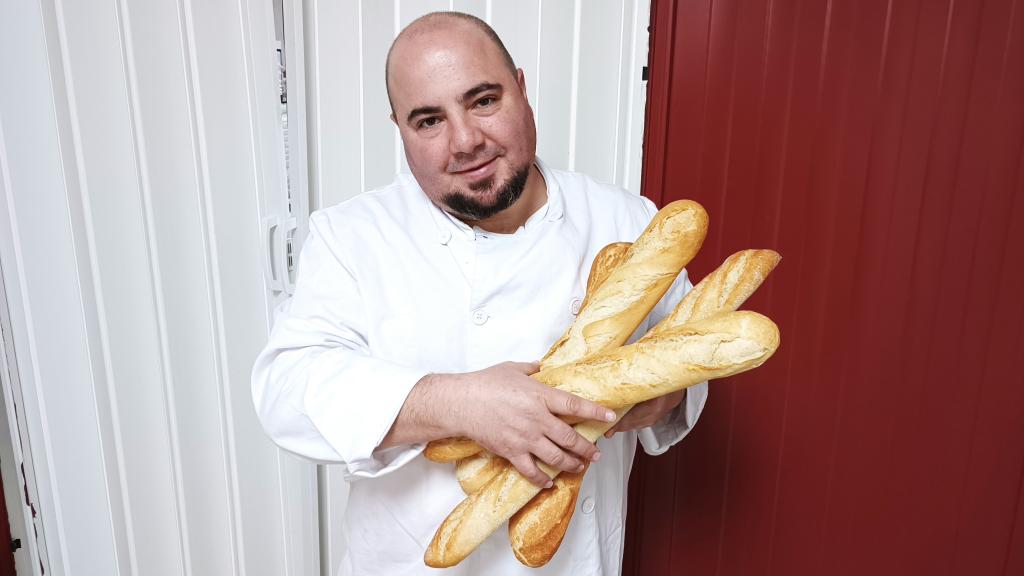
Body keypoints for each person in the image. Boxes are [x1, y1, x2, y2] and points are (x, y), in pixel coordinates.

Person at [252, 11, 708, 575]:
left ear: (521, 89)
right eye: (429, 120)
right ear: (400, 129)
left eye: (484, 101)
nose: (465, 141)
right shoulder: (351, 236)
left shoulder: (626, 221)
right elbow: (286, 390)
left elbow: (689, 358)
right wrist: (460, 404)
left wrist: (661, 396)